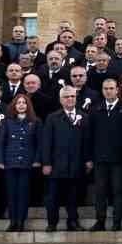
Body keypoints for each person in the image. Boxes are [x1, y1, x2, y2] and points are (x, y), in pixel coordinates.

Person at [38, 86, 91, 231]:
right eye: (67, 97)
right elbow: (46, 142)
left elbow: (87, 141)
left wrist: (87, 160)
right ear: (61, 100)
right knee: (52, 197)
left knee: (73, 196)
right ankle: (52, 223)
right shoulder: (52, 117)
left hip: (76, 164)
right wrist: (46, 163)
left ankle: (72, 222)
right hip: (56, 165)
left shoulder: (84, 117)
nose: (70, 99)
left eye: (73, 96)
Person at [87, 77, 122, 230]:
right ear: (102, 90)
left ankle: (116, 222)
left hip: (119, 158)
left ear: (117, 90)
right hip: (100, 158)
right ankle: (100, 221)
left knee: (118, 190)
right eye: (105, 88)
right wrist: (90, 157)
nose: (108, 91)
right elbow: (89, 135)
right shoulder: (94, 109)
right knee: (100, 191)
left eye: (111, 88)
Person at [0, 93, 39, 231]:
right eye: (18, 103)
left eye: (24, 103)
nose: (21, 105)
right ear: (14, 105)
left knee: (23, 194)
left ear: (28, 105)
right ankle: (12, 221)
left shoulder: (36, 122)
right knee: (11, 193)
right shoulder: (7, 122)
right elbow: (1, 142)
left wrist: (37, 160)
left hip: (26, 163)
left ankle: (21, 221)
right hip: (10, 162)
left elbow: (39, 143)